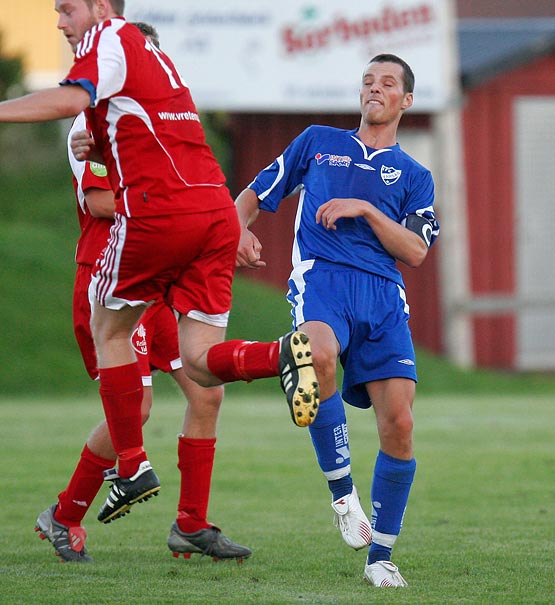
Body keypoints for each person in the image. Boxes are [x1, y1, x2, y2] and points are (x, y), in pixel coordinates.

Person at [1, 0, 320, 542]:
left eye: (66, 9)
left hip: (153, 240)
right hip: (166, 237)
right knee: (170, 386)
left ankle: (152, 488)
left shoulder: (112, 44)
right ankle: (71, 509)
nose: (60, 22)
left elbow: (117, 153)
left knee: (171, 373)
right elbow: (100, 195)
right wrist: (93, 142)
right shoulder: (129, 99)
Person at [34, 22, 251, 564]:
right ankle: (65, 513)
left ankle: (192, 526)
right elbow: (101, 202)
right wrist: (172, 204)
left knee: (206, 392)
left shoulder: (157, 124)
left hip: (160, 271)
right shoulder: (89, 125)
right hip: (111, 272)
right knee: (137, 408)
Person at [235, 54, 439, 587]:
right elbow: (254, 194)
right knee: (316, 353)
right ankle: (343, 494)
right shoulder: (318, 142)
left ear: (406, 101)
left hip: (384, 297)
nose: (375, 88)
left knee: (400, 424)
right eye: (368, 81)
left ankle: (381, 558)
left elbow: (416, 251)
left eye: (387, 83)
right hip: (323, 278)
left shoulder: (416, 177)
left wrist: (367, 210)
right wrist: (238, 229)